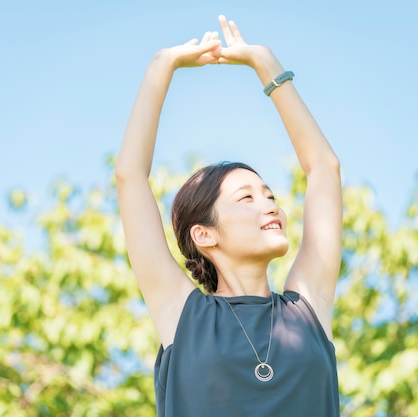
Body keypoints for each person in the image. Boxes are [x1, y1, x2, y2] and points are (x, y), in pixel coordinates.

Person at [116, 15, 342, 417]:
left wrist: (267, 66)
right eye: (246, 198)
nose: (270, 204)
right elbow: (130, 176)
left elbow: (324, 168)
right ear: (204, 235)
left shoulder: (308, 308)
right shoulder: (183, 314)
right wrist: (161, 66)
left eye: (269, 195)